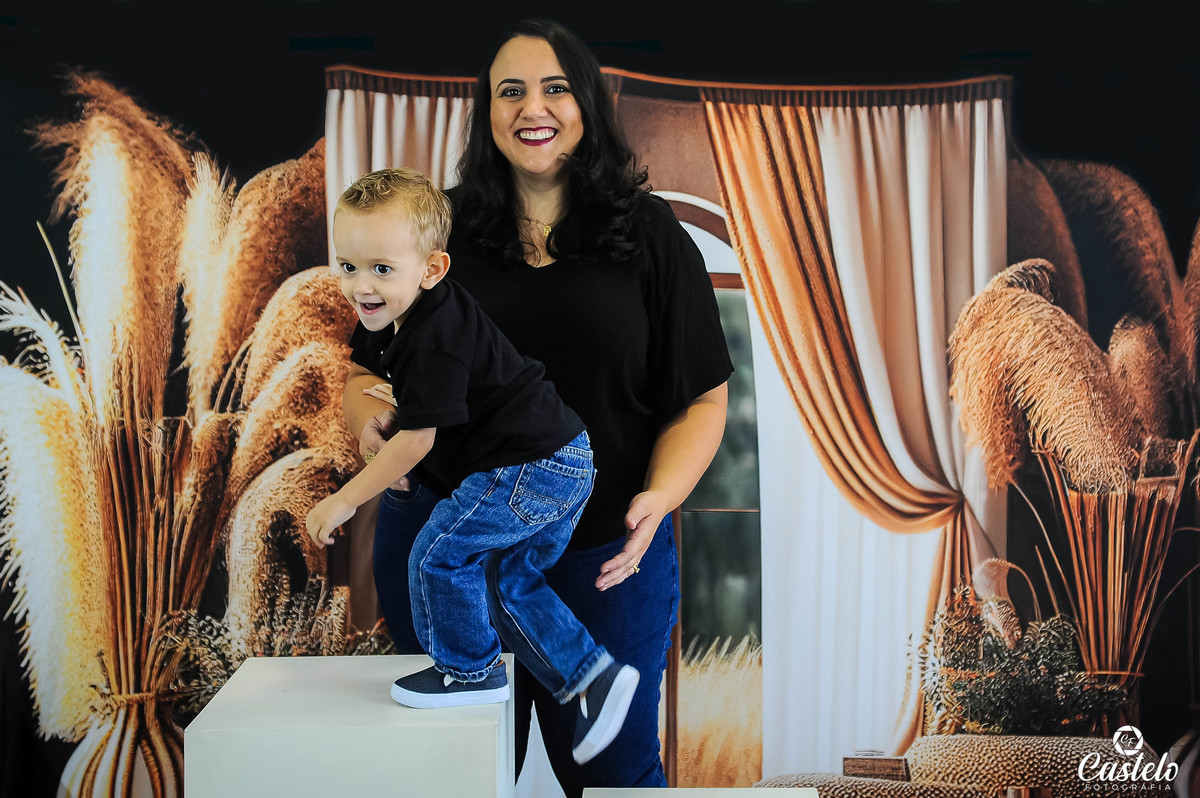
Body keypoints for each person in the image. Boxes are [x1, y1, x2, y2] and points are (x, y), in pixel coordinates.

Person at [343, 18, 732, 796]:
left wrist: (662, 496)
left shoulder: (652, 235)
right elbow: (364, 373)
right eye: (510, 91)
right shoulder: (435, 229)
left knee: (615, 778)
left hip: (602, 558)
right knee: (450, 778)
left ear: (586, 102)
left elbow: (702, 399)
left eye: (555, 88)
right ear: (486, 110)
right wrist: (367, 425)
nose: (533, 108)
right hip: (447, 551)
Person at [307, 167, 640, 764]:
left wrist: (345, 499)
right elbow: (408, 402)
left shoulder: (429, 337)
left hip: (533, 467)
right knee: (509, 580)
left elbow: (416, 443)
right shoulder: (404, 316)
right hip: (566, 459)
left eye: (381, 269)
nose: (361, 286)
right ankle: (595, 676)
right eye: (348, 265)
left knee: (438, 554)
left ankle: (470, 673)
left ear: (432, 269)